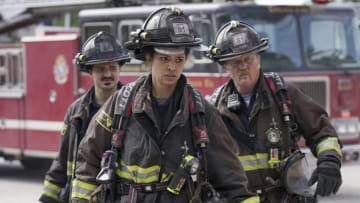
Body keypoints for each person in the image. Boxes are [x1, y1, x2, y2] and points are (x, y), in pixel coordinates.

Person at [71, 7, 259, 203]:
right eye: (164, 59)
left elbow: (232, 181)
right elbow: (88, 160)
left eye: (179, 60)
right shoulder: (120, 104)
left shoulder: (202, 113)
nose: (172, 67)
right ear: (149, 58)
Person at [207, 20, 343, 203]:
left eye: (249, 59)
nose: (244, 66)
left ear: (259, 58)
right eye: (236, 61)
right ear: (225, 66)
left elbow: (321, 131)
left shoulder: (284, 95)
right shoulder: (215, 108)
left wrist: (329, 161)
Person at [39, 31, 130, 203]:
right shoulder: (76, 111)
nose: (108, 74)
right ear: (90, 71)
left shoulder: (132, 109)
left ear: (120, 68)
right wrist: (48, 198)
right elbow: (62, 159)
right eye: (101, 69)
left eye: (112, 67)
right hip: (79, 197)